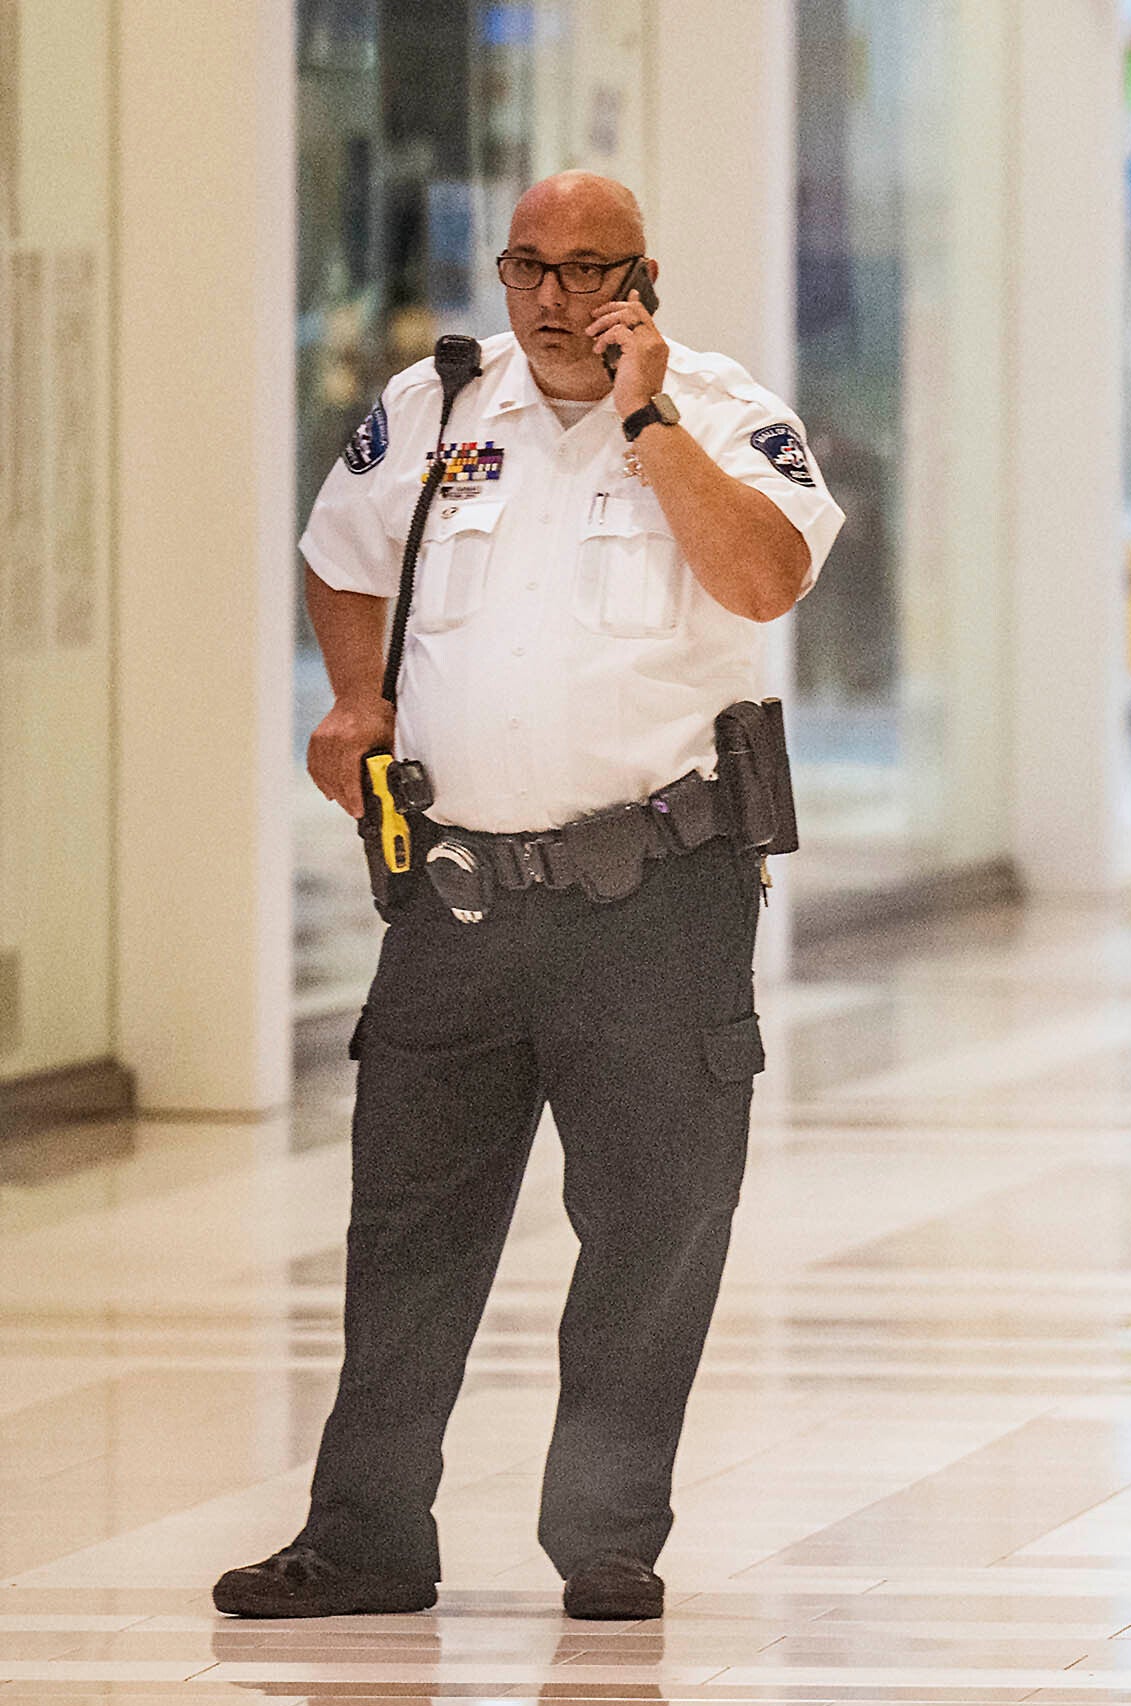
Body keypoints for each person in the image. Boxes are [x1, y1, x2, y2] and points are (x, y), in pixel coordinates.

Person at [216, 173, 843, 1624]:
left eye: (589, 273)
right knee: (406, 1228)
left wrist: (648, 421)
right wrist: (357, 695)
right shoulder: (436, 412)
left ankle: (606, 1536)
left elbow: (759, 583)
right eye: (529, 270)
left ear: (647, 280)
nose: (556, 302)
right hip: (460, 898)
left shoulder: (730, 414)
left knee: (651, 1226)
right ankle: (366, 1538)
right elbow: (339, 555)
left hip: (659, 897)